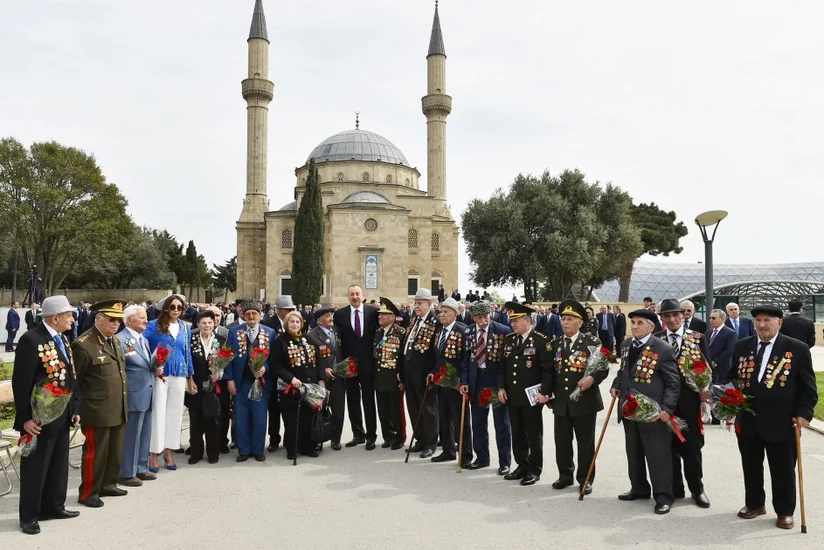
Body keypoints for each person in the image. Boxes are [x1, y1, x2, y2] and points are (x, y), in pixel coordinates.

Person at [733, 305, 817, 530]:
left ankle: (784, 511)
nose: (762, 325)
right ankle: (754, 504)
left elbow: (808, 387)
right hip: (748, 420)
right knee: (750, 466)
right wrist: (730, 402)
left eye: (767, 320)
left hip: (782, 421)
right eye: (758, 320)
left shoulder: (796, 348)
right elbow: (734, 378)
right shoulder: (742, 346)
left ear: (779, 322)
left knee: (783, 469)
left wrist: (803, 414)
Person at [13, 296, 80, 535]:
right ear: (55, 318)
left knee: (58, 464)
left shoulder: (62, 338)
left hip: (61, 414)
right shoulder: (31, 340)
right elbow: (21, 384)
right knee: (36, 468)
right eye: (69, 315)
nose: (73, 319)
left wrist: (75, 409)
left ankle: (53, 506)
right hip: (38, 420)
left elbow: (71, 376)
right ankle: (29, 516)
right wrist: (25, 419)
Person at [610, 308, 680, 515]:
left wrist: (667, 409)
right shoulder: (625, 345)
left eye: (640, 323)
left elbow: (673, 383)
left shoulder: (662, 349)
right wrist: (615, 385)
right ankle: (639, 488)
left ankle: (664, 496)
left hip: (653, 413)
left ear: (651, 327)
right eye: (633, 323)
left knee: (658, 456)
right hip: (629, 409)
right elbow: (624, 371)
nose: (635, 326)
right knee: (634, 453)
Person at [72, 300, 129, 508]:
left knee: (115, 450)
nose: (116, 324)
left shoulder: (113, 340)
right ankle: (88, 492)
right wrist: (76, 409)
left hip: (117, 406)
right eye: (112, 320)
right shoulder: (84, 343)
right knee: (95, 454)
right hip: (96, 409)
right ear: (98, 319)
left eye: (119, 320)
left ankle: (108, 484)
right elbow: (75, 381)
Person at [656, 298, 711, 508]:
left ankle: (697, 489)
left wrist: (705, 389)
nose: (672, 320)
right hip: (664, 404)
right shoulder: (657, 339)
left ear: (683, 316)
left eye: (675, 315)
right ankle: (674, 489)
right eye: (666, 316)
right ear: (662, 319)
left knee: (692, 449)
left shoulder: (697, 338)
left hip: (690, 404)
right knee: (667, 449)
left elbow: (707, 367)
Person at [549, 300, 607, 496]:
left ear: (580, 323)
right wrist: (547, 396)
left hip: (585, 402)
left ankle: (585, 478)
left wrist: (592, 378)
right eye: (563, 319)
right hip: (562, 402)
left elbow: (603, 368)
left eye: (569, 319)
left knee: (585, 443)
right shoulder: (555, 344)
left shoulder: (592, 343)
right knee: (562, 442)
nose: (565, 322)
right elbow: (550, 373)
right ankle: (565, 475)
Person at [497, 302, 553, 486]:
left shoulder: (541, 341)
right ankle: (522, 464)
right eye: (511, 320)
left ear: (528, 321)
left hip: (532, 397)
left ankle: (535, 469)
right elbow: (502, 368)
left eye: (516, 320)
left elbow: (547, 370)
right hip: (513, 395)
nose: (512, 324)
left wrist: (545, 393)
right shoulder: (509, 340)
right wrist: (501, 388)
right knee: (518, 432)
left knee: (533, 434)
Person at [142, 294, 195, 472]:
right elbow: (142, 347)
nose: (176, 311)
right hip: (160, 374)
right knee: (158, 413)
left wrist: (191, 377)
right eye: (172, 307)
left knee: (175, 414)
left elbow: (187, 354)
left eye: (180, 308)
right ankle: (153, 453)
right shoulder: (152, 326)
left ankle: (169, 450)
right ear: (165, 308)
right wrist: (152, 365)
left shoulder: (185, 328)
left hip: (179, 373)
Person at [460, 300, 511, 474]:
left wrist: (504, 386)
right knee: (478, 423)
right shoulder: (468, 332)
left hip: (496, 384)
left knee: (501, 424)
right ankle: (482, 457)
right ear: (473, 317)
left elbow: (506, 363)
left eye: (485, 316)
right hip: (477, 382)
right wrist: (464, 381)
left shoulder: (503, 331)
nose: (483, 320)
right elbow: (465, 360)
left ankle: (505, 461)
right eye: (479, 317)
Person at [224, 300, 275, 461]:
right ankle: (244, 450)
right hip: (241, 382)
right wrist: (230, 380)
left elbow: (274, 359)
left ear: (260, 316)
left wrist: (265, 368)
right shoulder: (234, 332)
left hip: (261, 383)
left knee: (259, 418)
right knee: (241, 417)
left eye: (255, 314)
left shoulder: (270, 332)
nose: (251, 317)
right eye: (248, 314)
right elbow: (227, 357)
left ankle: (258, 449)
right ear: (243, 316)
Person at [271, 310, 323, 460]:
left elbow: (318, 360)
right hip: (291, 388)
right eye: (292, 322)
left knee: (308, 417)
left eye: (297, 322)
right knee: (292, 419)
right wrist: (290, 378)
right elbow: (276, 365)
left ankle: (308, 447)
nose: (295, 324)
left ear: (302, 324)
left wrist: (320, 380)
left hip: (309, 386)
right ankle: (293, 448)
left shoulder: (308, 339)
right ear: (287, 324)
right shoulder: (280, 341)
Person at [333, 285, 379, 450]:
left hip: (368, 364)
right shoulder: (339, 315)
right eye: (352, 294)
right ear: (348, 296)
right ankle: (358, 434)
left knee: (368, 400)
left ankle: (371, 436)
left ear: (362, 295)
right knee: (352, 401)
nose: (355, 297)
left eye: (357, 294)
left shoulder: (373, 313)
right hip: (349, 365)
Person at [115, 305, 156, 487]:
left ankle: (140, 467)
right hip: (132, 394)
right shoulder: (121, 340)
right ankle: (127, 472)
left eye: (146, 317)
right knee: (131, 435)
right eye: (141, 318)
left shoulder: (143, 340)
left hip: (147, 392)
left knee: (145, 433)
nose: (146, 321)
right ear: (129, 320)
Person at [428, 298, 470, 465]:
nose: (442, 314)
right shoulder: (439, 332)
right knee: (444, 418)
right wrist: (433, 373)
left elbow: (467, 359)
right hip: (441, 383)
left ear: (455, 313)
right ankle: (448, 451)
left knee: (461, 421)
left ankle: (465, 455)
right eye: (440, 311)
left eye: (446, 312)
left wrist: (462, 381)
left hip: (457, 385)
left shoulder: (463, 331)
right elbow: (438, 359)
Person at [403, 288, 441, 458]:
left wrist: (433, 372)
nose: (416, 306)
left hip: (425, 373)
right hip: (409, 371)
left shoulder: (435, 322)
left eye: (420, 303)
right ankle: (420, 439)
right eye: (415, 302)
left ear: (429, 304)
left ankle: (431, 442)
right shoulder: (414, 321)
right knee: (413, 407)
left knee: (428, 409)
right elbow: (406, 345)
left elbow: (437, 351)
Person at [186, 310, 226, 464]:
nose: (207, 325)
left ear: (214, 323)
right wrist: (190, 380)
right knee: (195, 420)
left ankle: (213, 454)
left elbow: (225, 361)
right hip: (195, 385)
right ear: (198, 324)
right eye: (203, 323)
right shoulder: (192, 339)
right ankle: (195, 453)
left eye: (210, 322)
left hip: (214, 386)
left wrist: (219, 374)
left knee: (214, 420)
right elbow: (188, 360)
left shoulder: (221, 340)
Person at [305, 306, 345, 450]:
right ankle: (317, 438)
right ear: (319, 321)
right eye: (327, 316)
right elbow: (311, 359)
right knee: (319, 411)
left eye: (331, 315)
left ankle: (336, 439)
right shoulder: (311, 336)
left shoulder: (336, 331)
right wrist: (322, 372)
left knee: (338, 410)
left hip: (339, 376)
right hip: (321, 379)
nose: (331, 318)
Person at [261, 295, 295, 452]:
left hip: (291, 373)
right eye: (287, 310)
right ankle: (274, 439)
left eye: (292, 310)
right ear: (279, 311)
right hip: (274, 374)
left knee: (289, 409)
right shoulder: (267, 324)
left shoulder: (295, 323)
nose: (290, 312)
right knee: (273, 408)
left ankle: (290, 439)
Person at [373, 298, 406, 450]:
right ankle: (388, 436)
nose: (380, 317)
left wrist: (401, 377)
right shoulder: (378, 332)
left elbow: (402, 358)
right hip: (379, 377)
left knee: (395, 410)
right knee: (383, 410)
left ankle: (399, 437)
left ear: (392, 317)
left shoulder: (400, 333)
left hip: (393, 378)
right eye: (379, 314)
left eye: (384, 315)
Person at [707, 309, 736, 383]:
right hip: (708, 368)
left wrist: (715, 362)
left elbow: (729, 350)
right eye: (710, 318)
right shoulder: (708, 332)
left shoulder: (730, 333)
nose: (711, 320)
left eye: (713, 318)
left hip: (722, 369)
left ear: (722, 319)